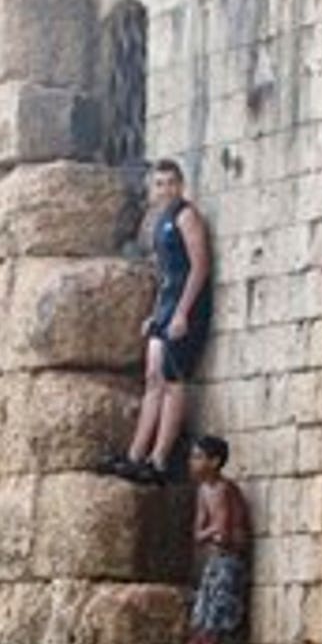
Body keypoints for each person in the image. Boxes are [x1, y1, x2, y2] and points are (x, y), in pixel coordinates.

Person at [97, 158, 211, 484]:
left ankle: (159, 459)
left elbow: (199, 266)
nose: (166, 189)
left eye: (171, 183)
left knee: (173, 383)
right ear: (152, 188)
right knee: (153, 378)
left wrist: (181, 313)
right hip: (167, 304)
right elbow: (165, 274)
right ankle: (136, 455)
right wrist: (156, 313)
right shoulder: (159, 220)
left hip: (185, 306)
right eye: (159, 184)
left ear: (181, 185)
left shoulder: (187, 216)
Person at [153, 435, 249, 644]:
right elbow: (202, 533)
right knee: (197, 631)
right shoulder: (205, 491)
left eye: (197, 457)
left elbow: (228, 535)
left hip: (229, 566)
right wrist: (214, 532)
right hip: (215, 564)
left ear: (215, 461)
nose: (192, 463)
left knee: (210, 634)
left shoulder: (225, 490)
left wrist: (215, 533)